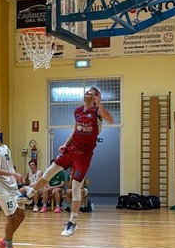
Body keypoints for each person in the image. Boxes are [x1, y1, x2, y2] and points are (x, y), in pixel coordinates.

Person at [22, 86, 113, 236]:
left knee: (76, 188)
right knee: (49, 172)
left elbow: (110, 119)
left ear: (96, 97)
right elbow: (75, 130)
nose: (87, 94)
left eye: (90, 93)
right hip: (71, 150)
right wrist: (66, 144)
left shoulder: (97, 111)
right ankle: (29, 196)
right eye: (86, 92)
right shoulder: (78, 111)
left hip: (84, 155)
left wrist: (99, 103)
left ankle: (72, 222)